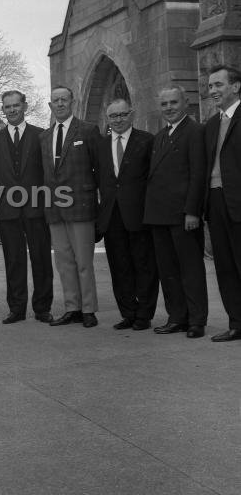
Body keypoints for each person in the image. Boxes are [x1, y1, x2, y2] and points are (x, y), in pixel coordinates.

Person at [143, 86, 208, 339]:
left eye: (173, 102)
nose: (168, 108)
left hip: (183, 215)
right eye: (164, 104)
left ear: (186, 102)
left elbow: (198, 174)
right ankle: (177, 317)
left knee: (190, 270)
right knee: (168, 270)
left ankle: (196, 320)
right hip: (159, 215)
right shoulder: (159, 136)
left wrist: (192, 211)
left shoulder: (195, 132)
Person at [0, 90, 54, 324]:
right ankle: (16, 309)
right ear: (3, 110)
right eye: (7, 107)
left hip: (37, 208)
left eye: (16, 105)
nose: (12, 110)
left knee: (41, 259)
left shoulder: (41, 136)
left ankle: (42, 308)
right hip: (8, 210)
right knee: (13, 261)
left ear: (25, 106)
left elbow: (48, 173)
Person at [40, 86, 100, 328]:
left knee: (84, 261)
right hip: (55, 208)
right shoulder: (44, 137)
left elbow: (99, 169)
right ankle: (72, 307)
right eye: (56, 100)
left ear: (72, 102)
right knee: (64, 261)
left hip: (81, 207)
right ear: (50, 105)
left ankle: (88, 310)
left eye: (64, 99)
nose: (60, 104)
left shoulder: (87, 130)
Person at [95, 98, 158, 330]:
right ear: (107, 118)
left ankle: (144, 315)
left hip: (139, 214)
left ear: (131, 114)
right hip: (111, 216)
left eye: (122, 115)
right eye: (113, 116)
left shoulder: (146, 141)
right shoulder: (100, 146)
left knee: (144, 266)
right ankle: (128, 313)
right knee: (119, 266)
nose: (118, 120)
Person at [204, 65, 241, 342]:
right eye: (210, 86)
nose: (213, 91)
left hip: (238, 200)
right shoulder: (212, 123)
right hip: (216, 203)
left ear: (236, 86)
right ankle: (236, 323)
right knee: (225, 266)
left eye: (218, 85)